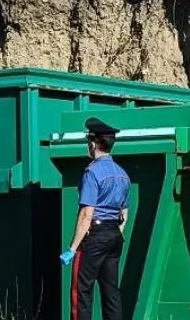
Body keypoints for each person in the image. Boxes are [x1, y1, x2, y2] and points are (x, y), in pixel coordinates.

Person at [61, 117, 129, 320]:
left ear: (93, 143)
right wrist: (114, 233)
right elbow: (124, 214)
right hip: (114, 235)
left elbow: (86, 214)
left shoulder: (92, 172)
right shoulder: (123, 174)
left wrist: (72, 248)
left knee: (81, 292)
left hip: (94, 236)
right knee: (111, 292)